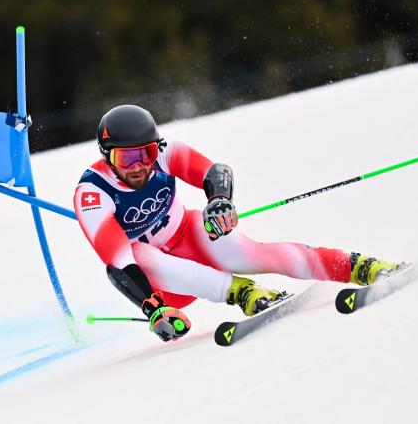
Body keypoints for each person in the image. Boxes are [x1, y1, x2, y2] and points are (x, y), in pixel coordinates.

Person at [73, 105, 398, 342]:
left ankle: (355, 266)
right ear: (106, 157)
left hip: (187, 235)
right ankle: (240, 292)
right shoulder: (92, 194)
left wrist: (219, 201)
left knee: (246, 254)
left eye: (144, 154)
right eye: (125, 159)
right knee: (140, 254)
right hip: (164, 287)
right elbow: (120, 265)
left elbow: (215, 172)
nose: (139, 167)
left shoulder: (166, 151)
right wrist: (155, 310)